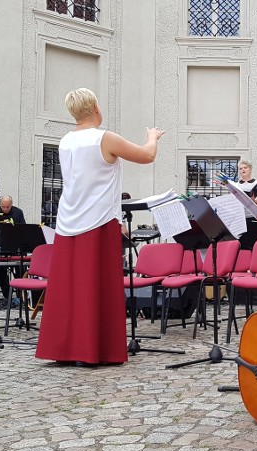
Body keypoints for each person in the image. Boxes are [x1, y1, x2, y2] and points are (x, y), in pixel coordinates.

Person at [35, 87, 164, 366]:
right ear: (96, 107)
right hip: (98, 219)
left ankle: (63, 349)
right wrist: (152, 137)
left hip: (69, 218)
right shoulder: (104, 138)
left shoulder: (66, 141)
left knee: (68, 286)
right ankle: (92, 349)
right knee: (95, 284)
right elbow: (146, 156)